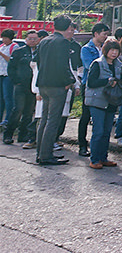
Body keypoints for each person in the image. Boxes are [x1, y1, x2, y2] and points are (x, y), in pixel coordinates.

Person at [35, 15, 75, 165]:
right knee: (53, 121)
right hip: (57, 85)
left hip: (44, 83)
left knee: (44, 120)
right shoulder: (63, 42)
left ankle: (40, 153)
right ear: (68, 27)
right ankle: (46, 155)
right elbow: (63, 64)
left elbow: (38, 61)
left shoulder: (45, 40)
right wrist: (68, 81)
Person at [85, 39, 122, 169]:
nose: (114, 53)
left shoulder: (119, 65)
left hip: (112, 101)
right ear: (105, 51)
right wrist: (107, 81)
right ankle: (94, 159)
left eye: (116, 50)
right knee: (98, 131)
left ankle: (103, 157)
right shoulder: (97, 63)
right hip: (97, 101)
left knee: (107, 131)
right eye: (111, 50)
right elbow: (91, 82)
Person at [79, 22, 110, 157]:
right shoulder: (86, 48)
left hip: (105, 86)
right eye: (104, 34)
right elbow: (89, 66)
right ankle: (82, 145)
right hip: (89, 85)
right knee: (86, 116)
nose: (106, 37)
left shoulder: (106, 47)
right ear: (96, 33)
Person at [4, 30, 40, 144]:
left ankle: (23, 135)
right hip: (21, 86)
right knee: (18, 109)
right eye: (30, 38)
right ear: (26, 39)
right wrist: (16, 81)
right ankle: (8, 134)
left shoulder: (40, 52)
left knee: (29, 112)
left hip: (33, 86)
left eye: (35, 38)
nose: (32, 41)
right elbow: (11, 68)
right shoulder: (19, 51)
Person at [0, 29, 17, 129]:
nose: (4, 40)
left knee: (8, 97)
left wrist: (1, 54)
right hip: (0, 74)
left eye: (6, 38)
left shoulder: (14, 47)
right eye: (3, 38)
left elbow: (11, 61)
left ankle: (8, 119)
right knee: (1, 98)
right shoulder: (2, 46)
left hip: (8, 75)